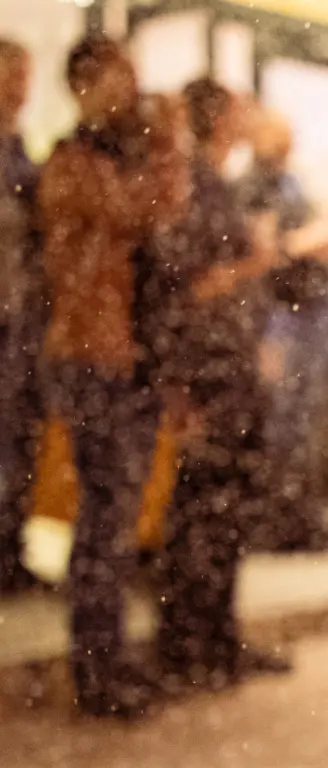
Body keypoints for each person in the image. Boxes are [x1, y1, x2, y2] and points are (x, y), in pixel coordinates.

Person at [39, 36, 188, 717]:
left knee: (117, 520)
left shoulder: (110, 152)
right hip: (96, 355)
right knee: (105, 521)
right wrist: (169, 140)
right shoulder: (75, 159)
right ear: (85, 82)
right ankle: (96, 672)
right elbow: (144, 210)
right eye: (118, 74)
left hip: (124, 352)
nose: (131, 86)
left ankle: (106, 664)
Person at [152, 78, 287, 691]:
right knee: (208, 506)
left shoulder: (209, 186)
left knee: (224, 506)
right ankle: (192, 642)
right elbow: (186, 288)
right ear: (222, 121)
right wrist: (251, 265)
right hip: (210, 372)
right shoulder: (193, 188)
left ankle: (213, 637)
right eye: (237, 113)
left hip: (224, 366)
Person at [240, 109, 328, 553]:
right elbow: (257, 250)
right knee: (284, 421)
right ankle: (279, 521)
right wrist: (304, 243)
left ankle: (298, 519)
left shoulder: (287, 182)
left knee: (303, 421)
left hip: (305, 314)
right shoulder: (256, 185)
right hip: (280, 316)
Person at [0, 39, 44, 594]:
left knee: (16, 435)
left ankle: (9, 548)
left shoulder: (17, 146)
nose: (20, 89)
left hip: (16, 314)